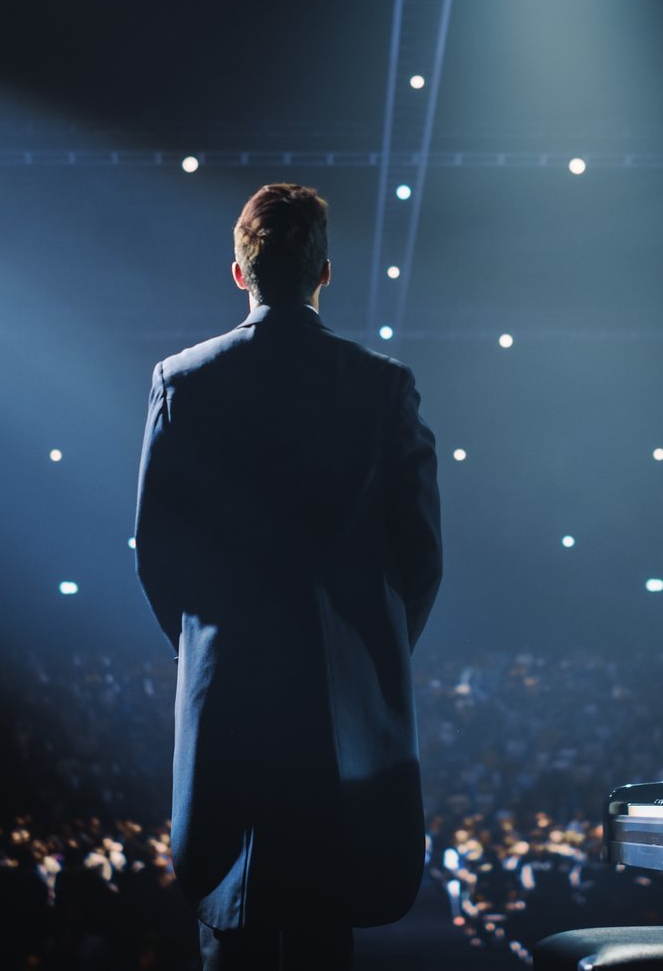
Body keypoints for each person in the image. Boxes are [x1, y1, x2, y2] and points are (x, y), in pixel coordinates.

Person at [135, 182, 443, 970]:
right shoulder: (383, 386)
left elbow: (157, 549)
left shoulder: (182, 380)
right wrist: (367, 652)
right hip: (337, 703)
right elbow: (420, 556)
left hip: (230, 691)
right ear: (325, 273)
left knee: (228, 919)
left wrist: (204, 644)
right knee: (322, 923)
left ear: (239, 273)